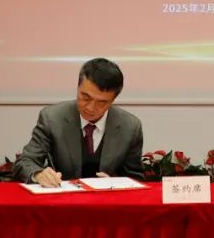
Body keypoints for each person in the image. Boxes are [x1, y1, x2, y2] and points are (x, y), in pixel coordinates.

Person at [14, 58, 143, 185]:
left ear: (113, 100)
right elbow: (25, 161)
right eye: (85, 97)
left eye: (102, 103)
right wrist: (38, 175)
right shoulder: (52, 118)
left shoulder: (130, 127)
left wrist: (115, 183)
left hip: (107, 197)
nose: (90, 108)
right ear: (77, 88)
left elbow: (136, 178)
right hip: (63, 196)